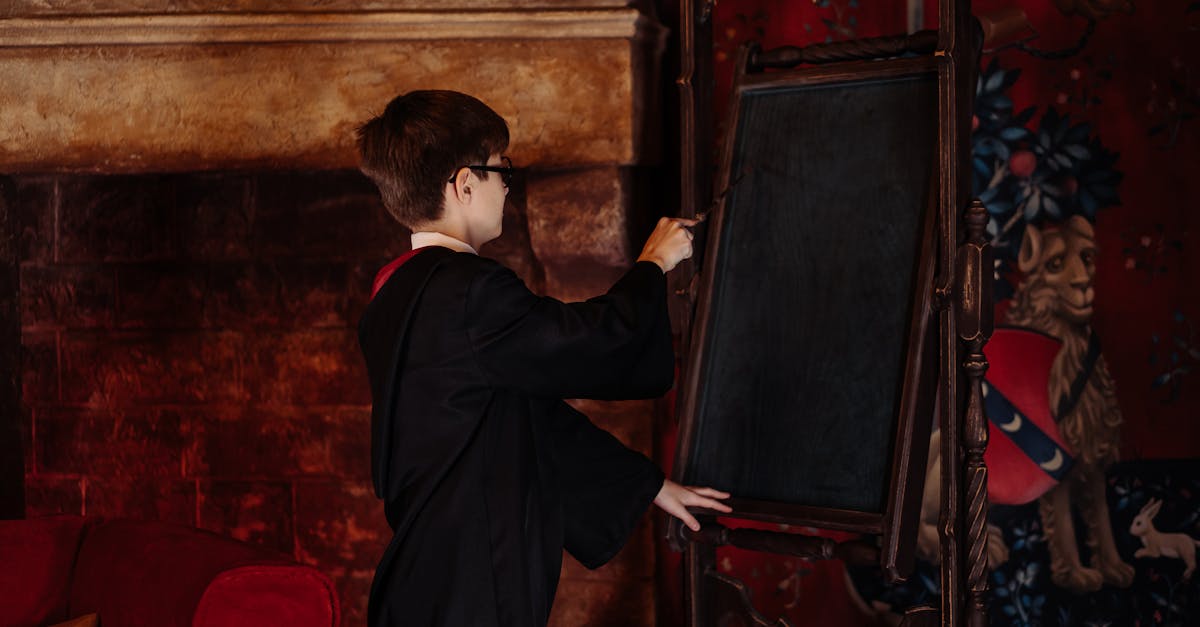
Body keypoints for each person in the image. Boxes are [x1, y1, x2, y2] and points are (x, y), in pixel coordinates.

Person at [356, 90, 731, 626]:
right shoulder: (470, 292)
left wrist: (646, 485)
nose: (507, 186)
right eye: (501, 169)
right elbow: (588, 343)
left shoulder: (393, 292)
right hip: (471, 588)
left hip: (425, 575)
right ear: (465, 185)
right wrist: (652, 264)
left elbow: (523, 415)